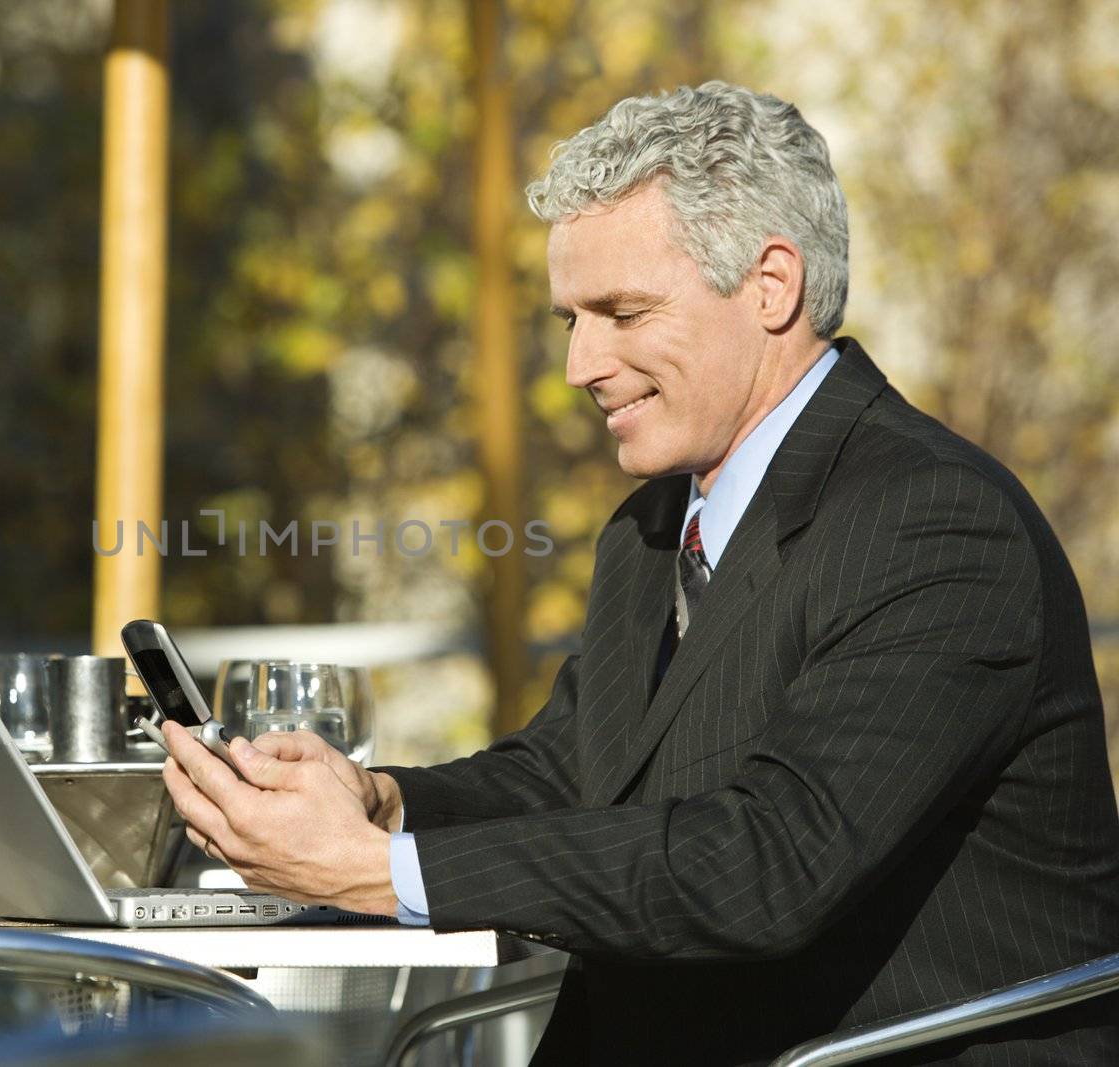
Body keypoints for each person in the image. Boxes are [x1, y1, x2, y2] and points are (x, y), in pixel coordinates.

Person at [159, 81, 1119, 1064]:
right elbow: (572, 773)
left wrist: (381, 869)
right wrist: (384, 801)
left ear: (769, 285)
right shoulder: (654, 525)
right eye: (569, 318)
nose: (579, 363)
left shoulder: (934, 522)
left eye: (620, 311)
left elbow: (771, 863)